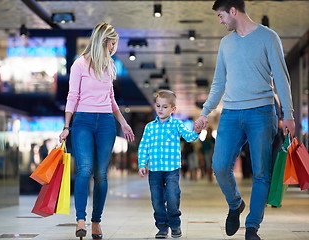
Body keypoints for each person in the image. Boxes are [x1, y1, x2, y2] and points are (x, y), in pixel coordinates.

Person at [194, 1, 296, 240]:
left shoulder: (269, 37)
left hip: (262, 112)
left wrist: (288, 114)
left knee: (261, 172)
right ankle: (235, 204)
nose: (219, 21)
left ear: (233, 11)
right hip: (230, 113)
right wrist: (205, 111)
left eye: (220, 16)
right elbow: (219, 82)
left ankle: (252, 227)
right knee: (219, 166)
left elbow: (282, 78)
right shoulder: (225, 43)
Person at [59, 22, 135, 240]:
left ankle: (96, 222)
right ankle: (80, 220)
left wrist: (123, 122)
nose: (114, 48)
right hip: (82, 121)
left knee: (101, 174)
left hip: (106, 124)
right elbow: (72, 96)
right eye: (113, 43)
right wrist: (66, 126)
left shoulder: (110, 66)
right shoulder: (79, 65)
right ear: (105, 41)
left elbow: (111, 99)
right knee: (83, 169)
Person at [138, 90, 199, 239]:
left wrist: (197, 130)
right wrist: (142, 164)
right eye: (158, 105)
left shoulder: (177, 124)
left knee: (172, 197)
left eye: (165, 107)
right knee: (157, 200)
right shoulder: (150, 127)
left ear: (173, 109)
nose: (160, 109)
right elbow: (143, 145)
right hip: (154, 170)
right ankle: (162, 227)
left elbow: (189, 137)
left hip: (172, 169)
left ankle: (175, 224)